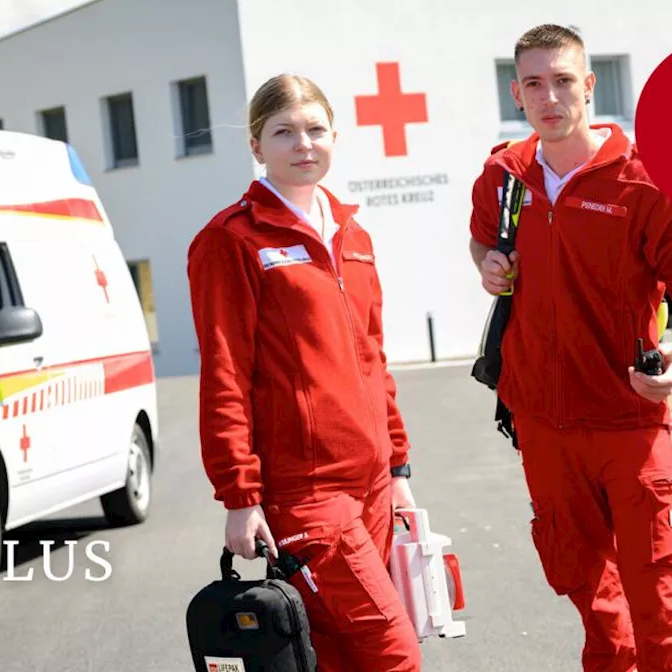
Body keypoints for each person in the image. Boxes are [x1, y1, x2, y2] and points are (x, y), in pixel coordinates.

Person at [468, 24, 672, 672]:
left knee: (656, 610)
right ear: (516, 93)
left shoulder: (647, 182)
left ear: (589, 85)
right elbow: (481, 241)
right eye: (533, 84)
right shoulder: (504, 175)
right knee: (596, 610)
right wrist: (487, 263)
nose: (549, 97)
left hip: (628, 422)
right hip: (543, 424)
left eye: (562, 81)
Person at [187, 73, 423, 671]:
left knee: (339, 655)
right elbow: (224, 374)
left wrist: (397, 466)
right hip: (306, 494)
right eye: (284, 132)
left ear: (335, 136)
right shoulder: (231, 240)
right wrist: (240, 496)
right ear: (256, 144)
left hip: (371, 484)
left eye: (316, 129)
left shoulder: (354, 235)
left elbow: (374, 358)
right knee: (395, 653)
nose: (304, 144)